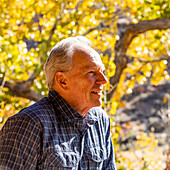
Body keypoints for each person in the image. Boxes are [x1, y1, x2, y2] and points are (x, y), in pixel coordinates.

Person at [0, 36, 117, 169]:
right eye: (91, 72)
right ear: (62, 80)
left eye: (102, 71)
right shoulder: (28, 124)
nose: (104, 80)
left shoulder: (101, 120)